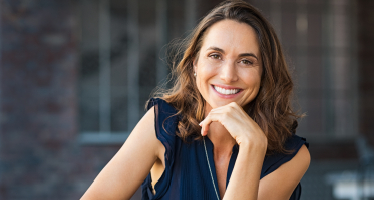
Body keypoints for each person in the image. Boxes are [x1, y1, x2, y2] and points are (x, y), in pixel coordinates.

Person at [81, 0, 310, 199]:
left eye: (246, 61)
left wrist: (253, 146)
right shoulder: (162, 124)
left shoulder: (292, 155)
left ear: (265, 74)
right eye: (215, 56)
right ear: (194, 65)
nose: (228, 75)